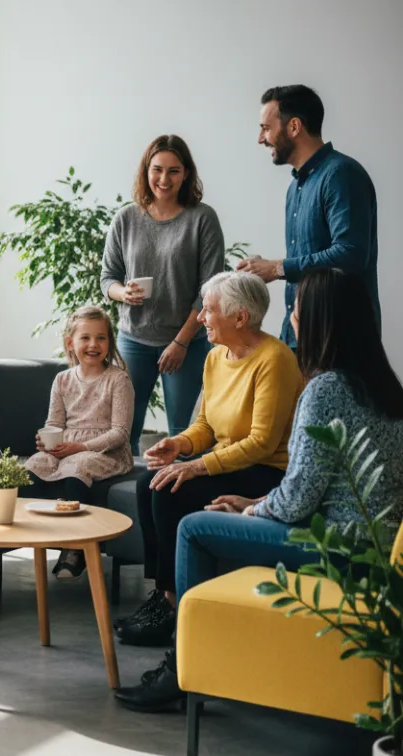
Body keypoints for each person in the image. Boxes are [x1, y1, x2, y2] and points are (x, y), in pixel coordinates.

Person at [115, 268, 403, 712]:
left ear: (323, 322)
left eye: (298, 310)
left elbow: (298, 496)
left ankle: (182, 668)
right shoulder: (386, 389)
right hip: (373, 547)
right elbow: (319, 487)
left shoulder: (324, 389)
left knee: (193, 527)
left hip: (334, 546)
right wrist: (254, 501)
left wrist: (250, 512)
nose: (290, 319)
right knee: (163, 489)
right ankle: (183, 627)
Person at [119, 271, 301, 647]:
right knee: (147, 482)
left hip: (267, 474)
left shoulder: (275, 359)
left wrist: (196, 465)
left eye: (208, 310)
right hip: (230, 464)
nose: (200, 317)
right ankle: (162, 595)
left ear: (240, 318)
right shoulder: (216, 356)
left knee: (169, 490)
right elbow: (204, 424)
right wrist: (179, 446)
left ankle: (172, 605)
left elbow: (261, 444)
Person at [100, 135, 226, 452]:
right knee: (121, 434)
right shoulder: (125, 218)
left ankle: (180, 500)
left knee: (183, 437)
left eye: (173, 171)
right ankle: (119, 500)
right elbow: (108, 279)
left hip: (187, 342)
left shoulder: (202, 219)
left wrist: (181, 342)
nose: (164, 179)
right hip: (133, 339)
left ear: (186, 173)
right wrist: (122, 293)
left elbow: (209, 291)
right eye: (157, 170)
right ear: (146, 171)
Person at [237, 85, 378, 348]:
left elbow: (351, 254)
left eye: (266, 128)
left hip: (339, 340)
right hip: (299, 337)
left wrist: (278, 268)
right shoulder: (295, 188)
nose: (260, 138)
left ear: (293, 127)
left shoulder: (341, 175)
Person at [25, 307, 134, 580]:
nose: (93, 345)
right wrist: (46, 440)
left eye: (101, 338)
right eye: (85, 338)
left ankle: (75, 547)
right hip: (68, 447)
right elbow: (55, 424)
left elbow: (120, 433)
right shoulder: (62, 380)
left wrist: (81, 447)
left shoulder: (118, 380)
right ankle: (38, 535)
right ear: (70, 342)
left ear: (109, 343)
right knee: (35, 464)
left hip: (105, 451)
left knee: (77, 467)